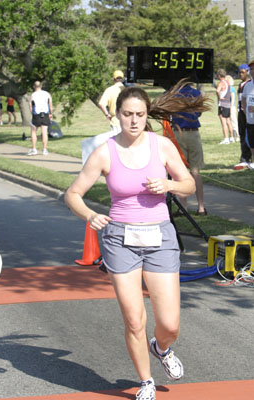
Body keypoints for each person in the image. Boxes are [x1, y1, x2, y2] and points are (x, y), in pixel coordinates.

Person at [65, 82, 211, 400]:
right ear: (117, 115)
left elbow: (188, 184)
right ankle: (145, 381)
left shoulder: (162, 147)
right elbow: (73, 194)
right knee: (134, 319)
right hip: (120, 239)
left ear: (147, 116)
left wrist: (169, 184)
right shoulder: (105, 152)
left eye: (140, 115)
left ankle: (161, 347)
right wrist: (89, 215)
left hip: (160, 236)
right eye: (128, 114)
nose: (134, 121)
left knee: (170, 323)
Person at [171, 84, 207, 216]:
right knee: (196, 171)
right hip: (194, 133)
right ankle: (201, 207)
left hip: (179, 133)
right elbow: (199, 113)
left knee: (180, 171)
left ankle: (183, 207)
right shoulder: (196, 93)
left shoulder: (174, 93)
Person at [28, 81, 53, 156]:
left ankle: (34, 149)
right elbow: (50, 105)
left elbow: (30, 106)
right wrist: (51, 114)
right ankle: (45, 149)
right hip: (45, 114)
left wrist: (32, 113)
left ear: (34, 86)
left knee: (33, 131)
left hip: (36, 114)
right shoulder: (47, 94)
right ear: (41, 86)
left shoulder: (33, 95)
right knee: (44, 132)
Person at [234, 64, 252, 169]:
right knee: (242, 134)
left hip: (248, 113)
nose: (240, 74)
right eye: (239, 72)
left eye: (242, 72)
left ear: (248, 72)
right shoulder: (240, 85)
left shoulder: (249, 84)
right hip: (241, 112)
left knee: (248, 134)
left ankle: (247, 157)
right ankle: (244, 156)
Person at [216, 69, 234, 144]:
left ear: (219, 75)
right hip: (228, 103)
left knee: (223, 122)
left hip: (222, 104)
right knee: (228, 121)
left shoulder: (221, 83)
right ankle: (231, 137)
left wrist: (219, 97)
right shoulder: (228, 83)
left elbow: (217, 91)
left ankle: (226, 138)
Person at [242, 60, 254, 170]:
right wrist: (245, 110)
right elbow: (244, 100)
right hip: (250, 120)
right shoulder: (248, 85)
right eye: (252, 69)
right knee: (251, 142)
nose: (253, 71)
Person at [225, 75, 240, 142]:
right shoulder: (229, 88)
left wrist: (231, 107)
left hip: (231, 107)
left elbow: (233, 99)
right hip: (229, 106)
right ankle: (232, 136)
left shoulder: (231, 88)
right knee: (230, 122)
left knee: (234, 122)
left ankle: (238, 135)